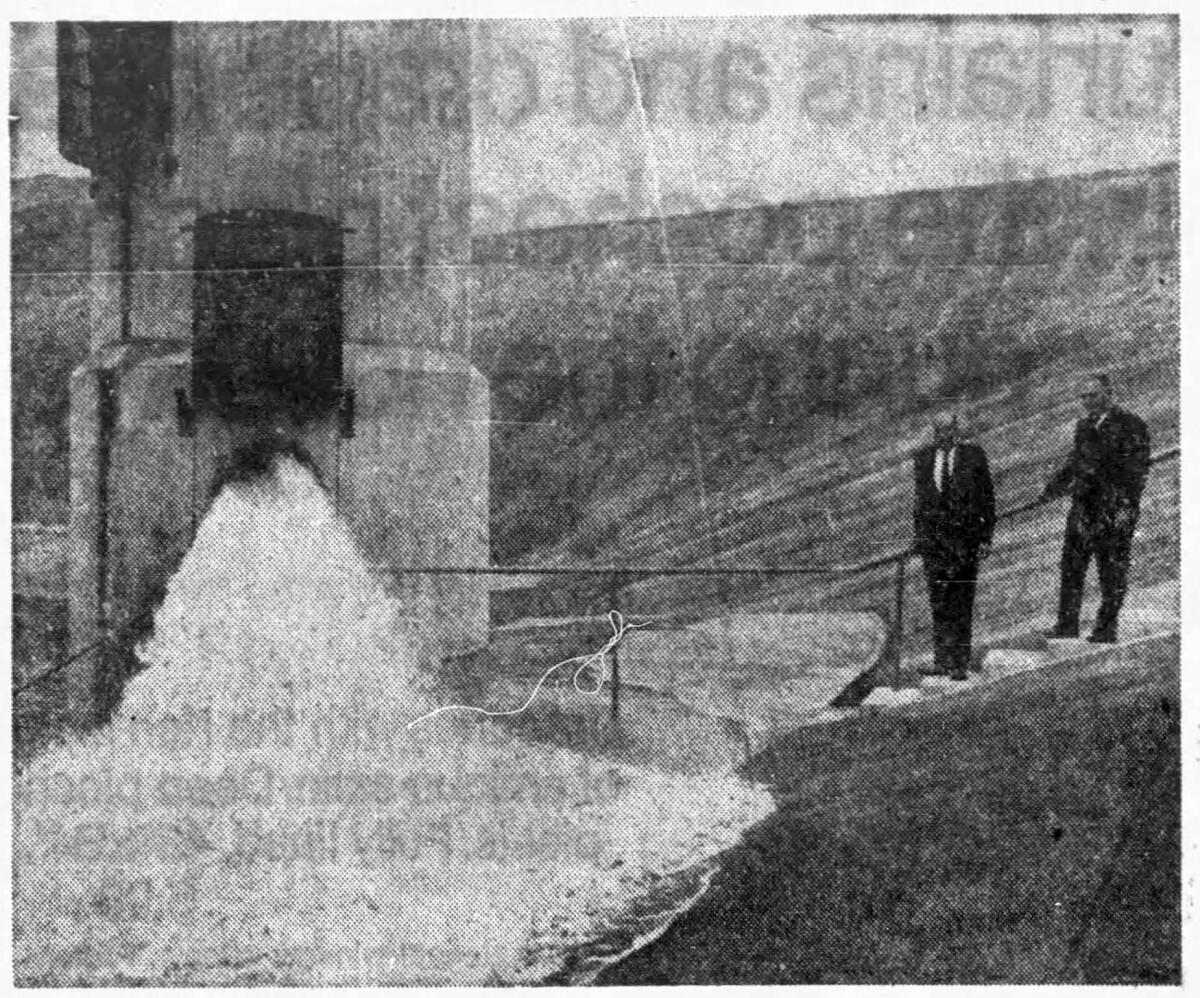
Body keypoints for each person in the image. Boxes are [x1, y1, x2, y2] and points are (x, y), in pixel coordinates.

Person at [1040, 373, 1151, 643]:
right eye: (1084, 397)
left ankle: (1105, 629)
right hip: (1083, 508)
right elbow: (1074, 462)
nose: (1088, 401)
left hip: (1114, 508)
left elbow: (1137, 471)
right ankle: (1067, 625)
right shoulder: (1083, 426)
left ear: (1109, 393)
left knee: (1111, 570)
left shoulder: (1130, 424)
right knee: (1071, 566)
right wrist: (1051, 488)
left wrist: (1126, 508)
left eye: (1094, 395)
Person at [912, 411, 995, 680]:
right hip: (935, 545)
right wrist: (920, 540)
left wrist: (985, 537)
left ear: (956, 430)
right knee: (939, 604)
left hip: (964, 541)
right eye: (938, 431)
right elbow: (921, 503)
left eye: (947, 430)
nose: (943, 436)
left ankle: (959, 662)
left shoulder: (973, 455)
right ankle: (941, 660)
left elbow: (987, 497)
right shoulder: (924, 459)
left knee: (961, 601)